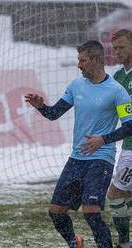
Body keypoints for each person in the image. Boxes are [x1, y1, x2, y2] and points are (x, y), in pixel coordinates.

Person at [25, 40, 132, 248]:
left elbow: (129, 126)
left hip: (101, 159)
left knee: (91, 212)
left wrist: (103, 139)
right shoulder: (76, 85)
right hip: (77, 158)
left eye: (82, 60)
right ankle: (75, 243)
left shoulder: (116, 91)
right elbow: (54, 114)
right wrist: (41, 107)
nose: (79, 65)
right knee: (55, 212)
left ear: (95, 60)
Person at [105, 29, 132, 248]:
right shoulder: (119, 77)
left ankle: (124, 243)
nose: (117, 52)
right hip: (127, 144)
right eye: (115, 48)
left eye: (122, 47)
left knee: (115, 195)